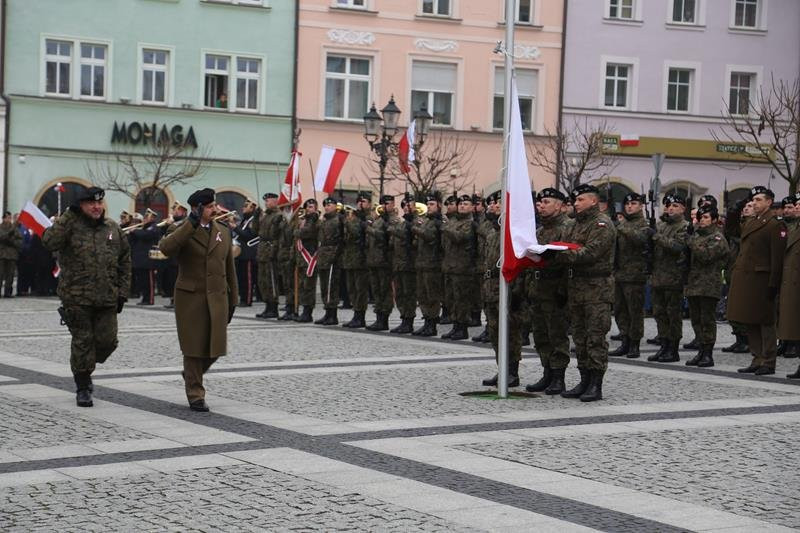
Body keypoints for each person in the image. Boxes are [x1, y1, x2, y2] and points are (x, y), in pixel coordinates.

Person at [42, 187, 131, 407]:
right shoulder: (70, 225)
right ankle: (82, 385)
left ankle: (87, 364)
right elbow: (49, 241)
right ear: (80, 205)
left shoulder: (112, 228)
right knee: (83, 341)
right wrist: (68, 216)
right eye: (91, 203)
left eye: (99, 203)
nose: (96, 207)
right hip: (76, 297)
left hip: (107, 297)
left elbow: (125, 261)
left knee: (108, 342)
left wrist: (122, 293)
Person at [159, 188, 238, 412]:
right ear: (197, 208)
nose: (215, 210)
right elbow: (166, 248)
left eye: (214, 205)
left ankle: (191, 374)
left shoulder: (223, 231)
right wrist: (190, 224)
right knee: (194, 347)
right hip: (191, 298)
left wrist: (233, 299)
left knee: (216, 347)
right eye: (210, 207)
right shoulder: (181, 229)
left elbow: (229, 268)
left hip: (218, 297)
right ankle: (195, 394)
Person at [547, 184, 616, 402]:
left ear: (593, 201)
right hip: (575, 288)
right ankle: (584, 379)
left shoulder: (602, 224)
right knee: (580, 337)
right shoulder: (574, 224)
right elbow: (566, 246)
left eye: (580, 200)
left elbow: (590, 253)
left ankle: (596, 383)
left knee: (595, 337)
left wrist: (559, 254)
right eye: (575, 200)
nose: (576, 204)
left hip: (597, 289)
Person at [728, 186, 786, 375]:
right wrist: (734, 212)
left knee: (765, 322)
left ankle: (768, 361)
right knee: (750, 320)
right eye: (753, 200)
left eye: (759, 199)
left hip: (762, 280)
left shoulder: (774, 225)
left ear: (769, 202)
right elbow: (732, 230)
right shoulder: (752, 221)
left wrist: (773, 284)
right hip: (748, 280)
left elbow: (777, 258)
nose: (755, 203)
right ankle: (757, 357)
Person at [525, 188, 572, 394]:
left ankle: (559, 377)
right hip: (539, 289)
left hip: (555, 289)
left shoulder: (567, 227)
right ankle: (547, 372)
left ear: (559, 205)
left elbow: (570, 261)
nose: (541, 206)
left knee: (557, 335)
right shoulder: (540, 230)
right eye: (540, 203)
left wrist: (563, 289)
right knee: (541, 335)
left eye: (546, 202)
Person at [481, 192, 523, 387]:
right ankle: (502, 368)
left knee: (510, 331)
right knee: (494, 330)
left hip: (507, 287)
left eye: (499, 202)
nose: (495, 206)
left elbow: (519, 263)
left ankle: (512, 372)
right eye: (494, 203)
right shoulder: (493, 232)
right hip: (491, 287)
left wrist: (517, 291)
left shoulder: (513, 232)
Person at [684, 206, 729, 367]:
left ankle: (708, 353)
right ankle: (701, 351)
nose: (702, 220)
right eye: (700, 217)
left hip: (708, 285)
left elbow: (706, 256)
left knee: (707, 320)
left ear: (714, 220)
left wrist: (690, 241)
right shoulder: (697, 235)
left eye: (706, 217)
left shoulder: (717, 238)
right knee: (696, 319)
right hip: (694, 284)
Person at [647, 195, 689, 363]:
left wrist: (656, 237)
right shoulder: (661, 225)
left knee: (673, 315)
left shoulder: (684, 227)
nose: (670, 208)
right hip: (658, 277)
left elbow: (678, 247)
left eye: (675, 205)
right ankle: (663, 345)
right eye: (668, 205)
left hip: (673, 278)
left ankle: (673, 348)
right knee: (659, 314)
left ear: (683, 209)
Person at [609, 193, 649, 359]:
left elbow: (640, 239)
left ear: (641, 206)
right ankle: (624, 340)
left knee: (635, 312)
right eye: (627, 204)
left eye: (633, 203)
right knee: (620, 310)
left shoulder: (644, 224)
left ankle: (634, 344)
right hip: (619, 274)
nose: (630, 206)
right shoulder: (623, 224)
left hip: (635, 275)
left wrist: (621, 227)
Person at [441, 195, 477, 340]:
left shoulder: (470, 223)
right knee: (451, 299)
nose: (462, 206)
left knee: (462, 299)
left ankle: (462, 327)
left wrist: (446, 227)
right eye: (460, 203)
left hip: (463, 268)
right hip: (450, 266)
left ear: (472, 207)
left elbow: (459, 237)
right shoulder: (454, 222)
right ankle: (455, 325)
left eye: (466, 204)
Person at [412, 192, 444, 336]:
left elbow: (430, 236)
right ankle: (426, 320)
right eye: (428, 204)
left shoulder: (439, 221)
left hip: (433, 264)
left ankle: (432, 324)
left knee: (432, 296)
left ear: (439, 205)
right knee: (422, 295)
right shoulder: (426, 221)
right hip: (422, 263)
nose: (429, 207)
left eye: (432, 204)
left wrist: (415, 228)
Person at [366, 195, 397, 331]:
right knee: (376, 290)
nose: (384, 206)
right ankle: (378, 316)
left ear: (393, 204)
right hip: (374, 259)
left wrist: (369, 229)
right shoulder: (379, 219)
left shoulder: (393, 220)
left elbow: (384, 236)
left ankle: (384, 318)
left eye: (387, 203)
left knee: (385, 290)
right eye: (382, 203)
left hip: (385, 260)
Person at [341, 193, 372, 328]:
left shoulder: (369, 218)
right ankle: (355, 314)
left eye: (363, 201)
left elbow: (357, 232)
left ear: (369, 204)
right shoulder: (354, 218)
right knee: (352, 289)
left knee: (360, 290)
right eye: (358, 201)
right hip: (350, 258)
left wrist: (347, 221)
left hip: (361, 259)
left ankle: (361, 316)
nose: (360, 204)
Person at [388, 195, 418, 333]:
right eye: (404, 206)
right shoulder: (402, 223)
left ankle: (409, 320)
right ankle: (403, 318)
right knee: (399, 294)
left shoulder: (417, 222)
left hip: (410, 264)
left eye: (409, 205)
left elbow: (413, 240)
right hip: (398, 263)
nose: (407, 208)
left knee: (409, 293)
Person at [253, 193, 283, 318]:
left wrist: (273, 251)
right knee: (262, 280)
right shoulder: (266, 216)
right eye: (265, 201)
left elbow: (277, 235)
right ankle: (267, 305)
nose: (266, 203)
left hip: (271, 249)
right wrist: (256, 217)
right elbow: (255, 230)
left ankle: (273, 307)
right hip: (262, 250)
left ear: (275, 202)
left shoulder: (278, 216)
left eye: (268, 201)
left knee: (271, 280)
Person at [315, 198, 343, 325]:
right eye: (325, 205)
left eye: (329, 205)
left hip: (333, 255)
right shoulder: (324, 220)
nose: (327, 207)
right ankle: (327, 312)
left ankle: (333, 314)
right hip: (323, 255)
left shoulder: (338, 220)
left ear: (335, 206)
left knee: (332, 287)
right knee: (324, 286)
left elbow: (341, 239)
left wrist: (336, 255)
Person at [294, 199, 320, 323]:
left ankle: (307, 312)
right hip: (302, 258)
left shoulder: (315, 220)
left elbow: (306, 233)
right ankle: (303, 309)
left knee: (308, 286)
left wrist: (297, 230)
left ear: (316, 208)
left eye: (311, 207)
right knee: (302, 286)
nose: (308, 209)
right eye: (307, 207)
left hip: (310, 257)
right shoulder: (305, 220)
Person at [130, 208, 161, 305]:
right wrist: (131, 233)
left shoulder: (154, 227)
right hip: (140, 259)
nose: (145, 219)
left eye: (147, 217)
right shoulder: (142, 228)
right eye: (145, 217)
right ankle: (144, 298)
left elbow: (146, 235)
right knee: (142, 281)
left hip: (148, 260)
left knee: (149, 281)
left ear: (152, 218)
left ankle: (149, 299)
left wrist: (134, 231)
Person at [0, 211, 22, 297]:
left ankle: (8, 292)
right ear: (3, 218)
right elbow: (2, 237)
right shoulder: (1, 227)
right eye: (7, 218)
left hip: (12, 254)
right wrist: (9, 235)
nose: (9, 220)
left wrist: (12, 241)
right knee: (0, 274)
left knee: (10, 274)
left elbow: (19, 241)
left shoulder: (15, 229)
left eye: (10, 218)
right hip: (2, 254)